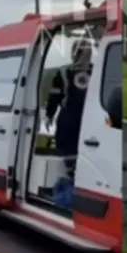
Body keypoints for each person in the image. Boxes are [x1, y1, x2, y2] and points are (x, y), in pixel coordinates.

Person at [45, 38, 94, 178]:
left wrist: (49, 115)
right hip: (88, 119)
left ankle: (69, 178)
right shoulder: (97, 71)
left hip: (69, 119)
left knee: (67, 156)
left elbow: (55, 95)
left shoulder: (63, 72)